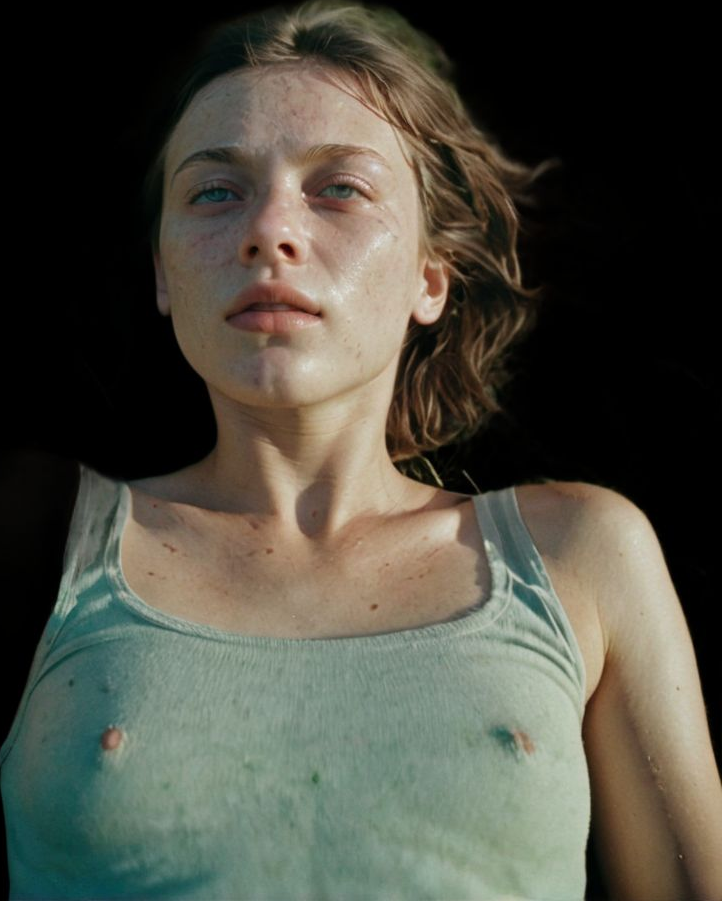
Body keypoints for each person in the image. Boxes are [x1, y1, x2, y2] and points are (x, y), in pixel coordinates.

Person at [1, 1, 720, 898]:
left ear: (430, 275)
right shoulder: (36, 547)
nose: (270, 230)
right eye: (215, 191)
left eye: (339, 187)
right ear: (161, 272)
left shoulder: (582, 554)